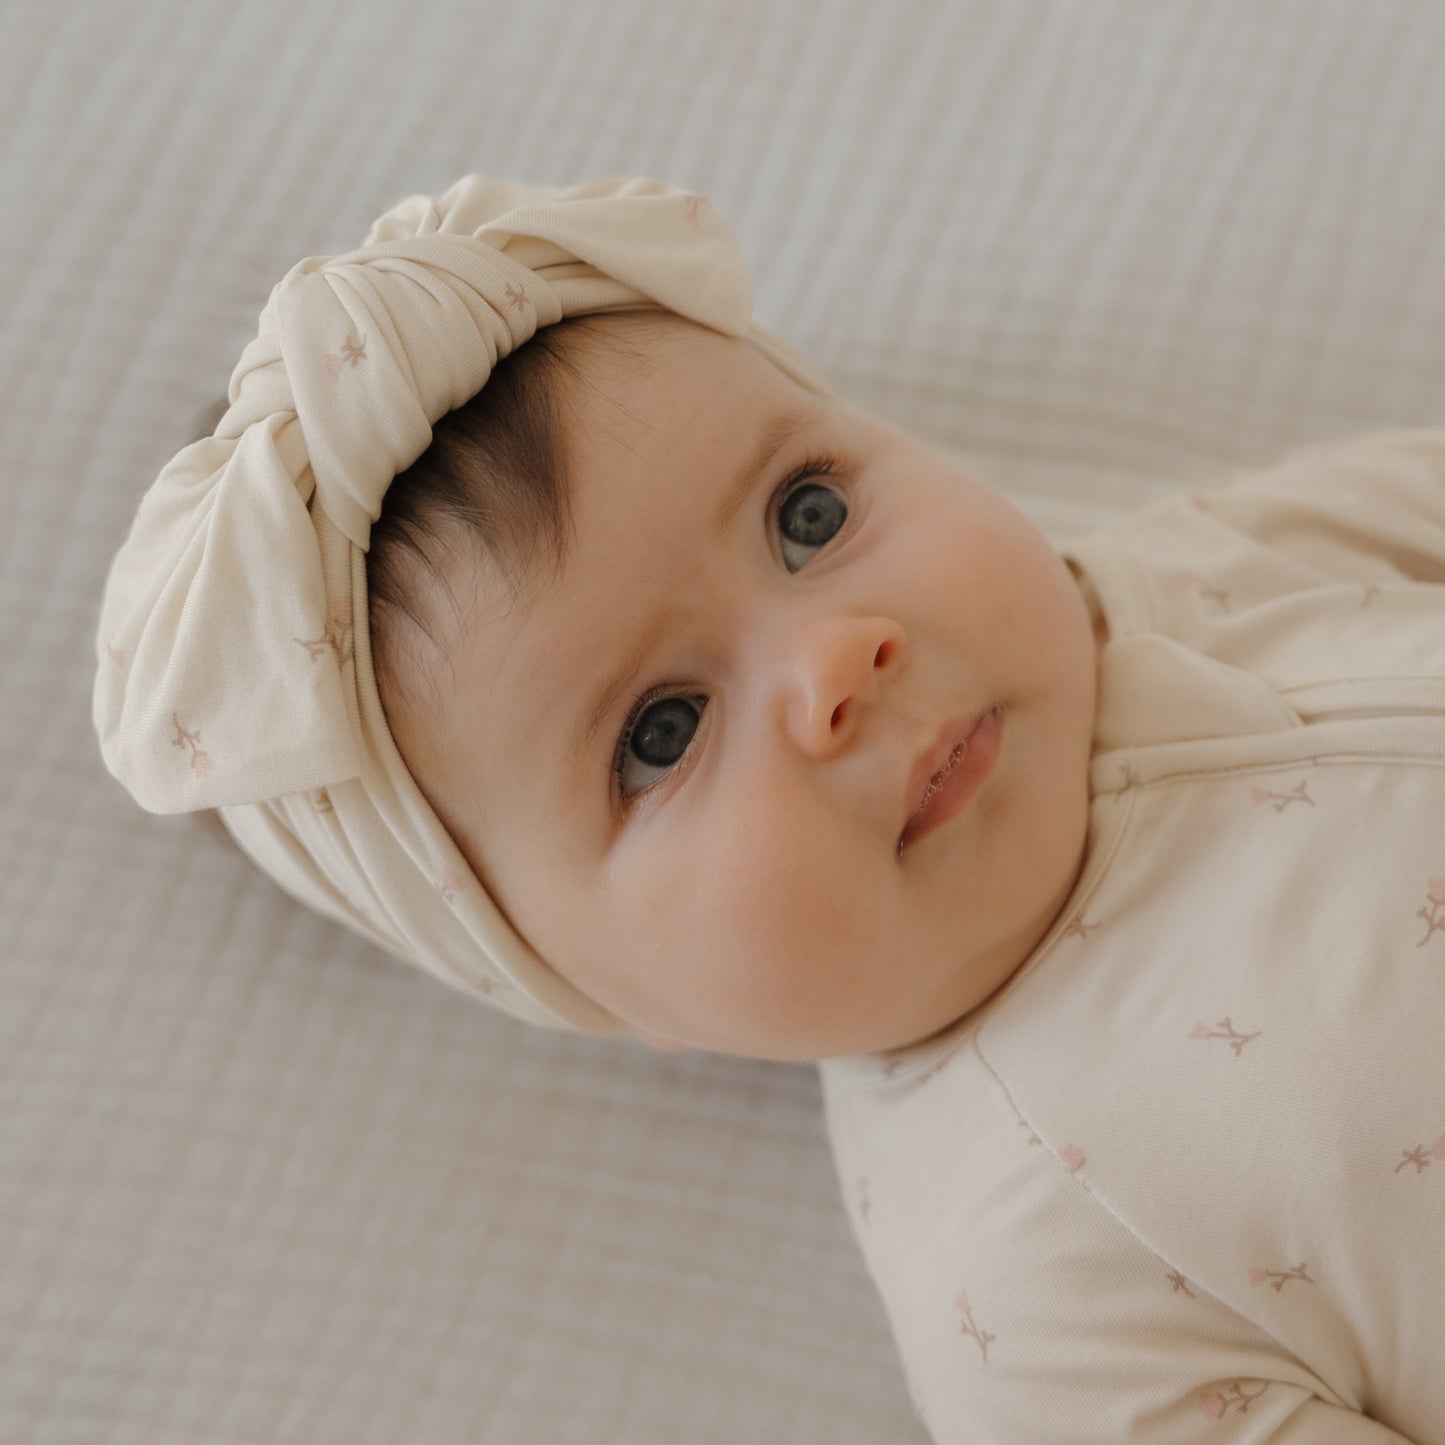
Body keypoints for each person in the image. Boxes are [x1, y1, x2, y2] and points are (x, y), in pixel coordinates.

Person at [93, 173, 1445, 1442]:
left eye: (808, 515)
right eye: (661, 734)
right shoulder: (1036, 1287)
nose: (834, 660)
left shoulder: (1205, 565)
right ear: (578, 986)